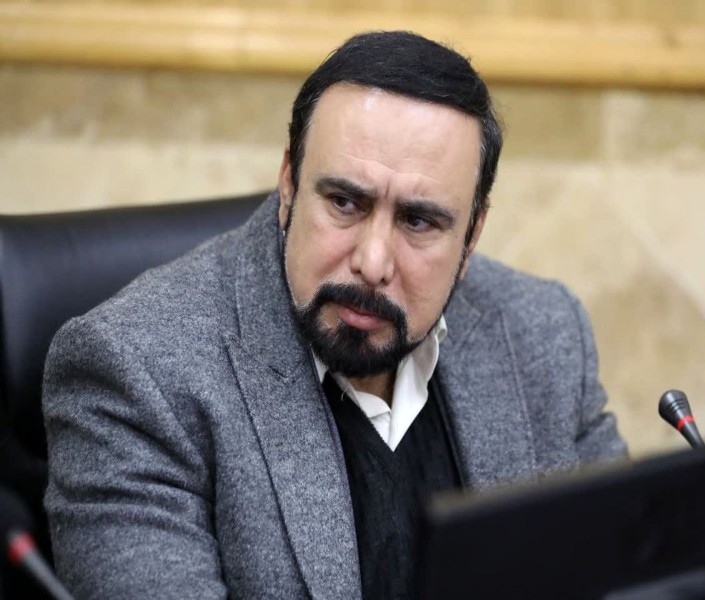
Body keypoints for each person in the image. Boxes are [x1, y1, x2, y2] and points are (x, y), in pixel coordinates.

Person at [43, 31, 626, 599]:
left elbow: (623, 573)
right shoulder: (136, 370)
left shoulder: (543, 332)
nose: (372, 263)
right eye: (345, 203)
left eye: (418, 221)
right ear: (289, 183)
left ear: (472, 235)